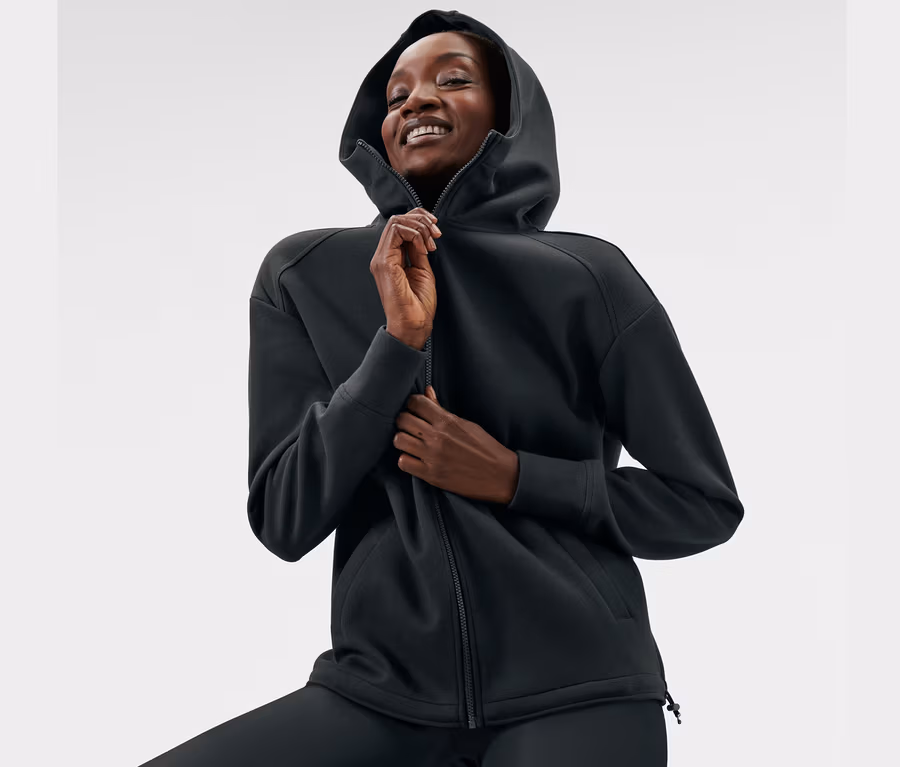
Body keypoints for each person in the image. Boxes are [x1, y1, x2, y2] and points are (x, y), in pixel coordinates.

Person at [139, 9, 744, 766]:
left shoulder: (590, 276)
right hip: (380, 692)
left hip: (583, 689)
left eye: (453, 80)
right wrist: (396, 346)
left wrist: (513, 476)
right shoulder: (304, 274)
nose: (416, 100)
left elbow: (702, 502)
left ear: (508, 116)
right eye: (396, 95)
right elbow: (284, 517)